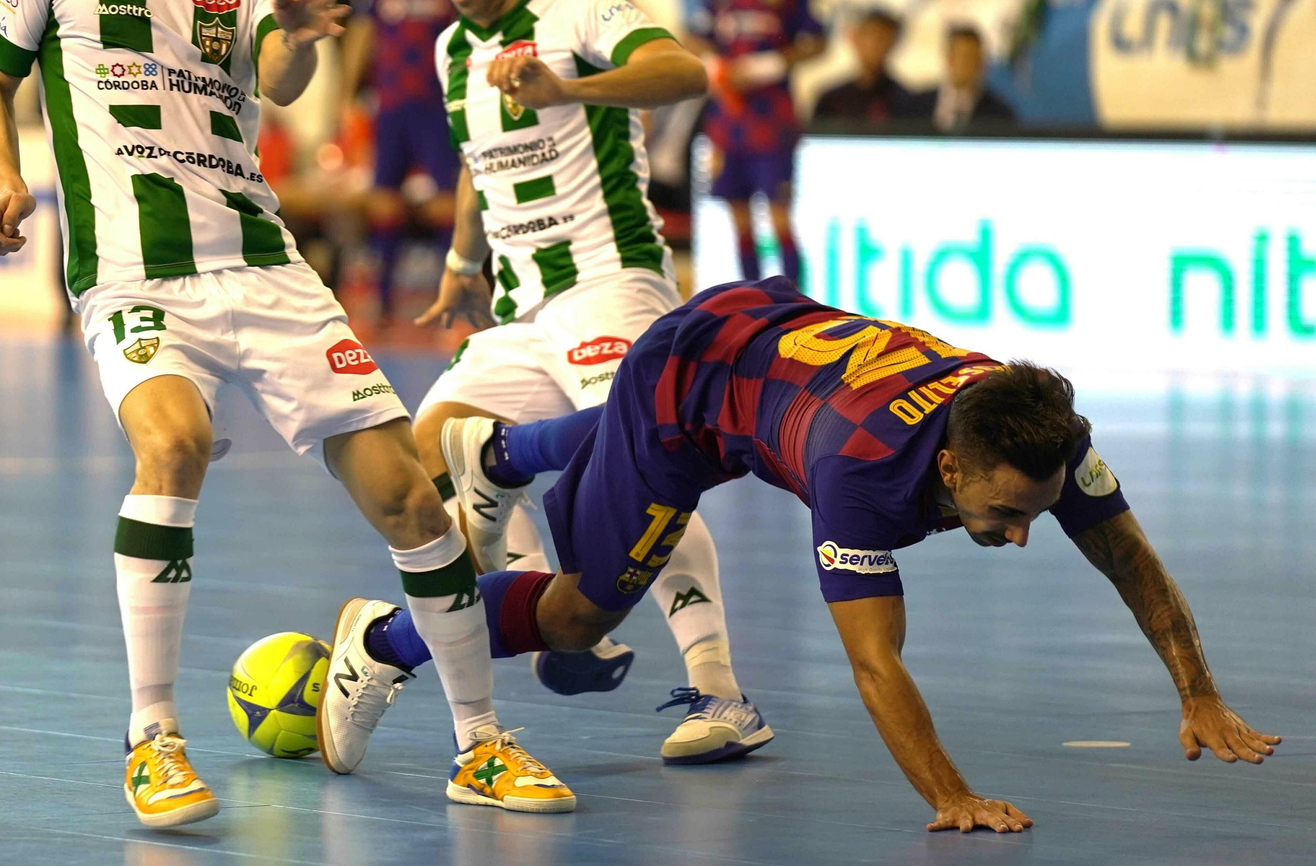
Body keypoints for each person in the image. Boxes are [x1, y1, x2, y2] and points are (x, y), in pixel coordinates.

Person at [0, 0, 530, 828]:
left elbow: (277, 74)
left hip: (265, 265)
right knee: (171, 446)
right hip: (136, 271)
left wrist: (305, 33)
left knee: (410, 495)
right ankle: (151, 736)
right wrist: (4, 179)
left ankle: (482, 743)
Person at [339, 276, 1283, 830]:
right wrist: (951, 796)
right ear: (950, 463)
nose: (1026, 534)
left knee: (643, 490)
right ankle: (386, 641)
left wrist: (1195, 687)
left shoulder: (1038, 433)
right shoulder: (861, 474)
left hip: (780, 336)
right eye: (1004, 512)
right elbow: (876, 660)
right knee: (579, 616)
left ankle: (504, 451)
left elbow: (1130, 558)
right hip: (685, 386)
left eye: (1036, 511)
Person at [321, 0, 764, 787]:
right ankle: (557, 609)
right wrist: (457, 262)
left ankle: (719, 686)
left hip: (612, 281)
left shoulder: (578, 7)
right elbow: (482, 170)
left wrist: (571, 88)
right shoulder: (450, 49)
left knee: (643, 468)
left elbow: (685, 73)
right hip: (518, 308)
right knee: (421, 464)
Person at [694, 0, 826, 284]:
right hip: (728, 118)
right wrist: (717, 66)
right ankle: (753, 308)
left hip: (774, 119)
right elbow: (697, 35)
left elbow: (817, 41)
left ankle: (797, 310)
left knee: (781, 217)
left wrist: (768, 66)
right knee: (739, 219)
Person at [336, 0, 460, 321]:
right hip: (390, 101)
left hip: (436, 101)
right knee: (384, 199)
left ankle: (453, 296)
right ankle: (381, 299)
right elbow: (363, 32)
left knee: (448, 201)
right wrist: (348, 94)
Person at [905, 25, 1017, 133]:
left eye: (972, 57)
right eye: (961, 56)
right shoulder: (916, 106)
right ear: (949, 57)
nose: (965, 64)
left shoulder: (999, 114)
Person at [812, 9, 910, 126]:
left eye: (883, 38)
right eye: (870, 36)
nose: (875, 45)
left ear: (893, 42)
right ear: (855, 39)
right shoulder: (831, 99)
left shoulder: (905, 100)